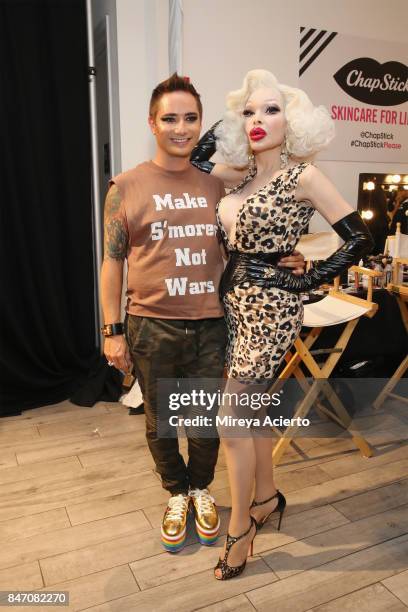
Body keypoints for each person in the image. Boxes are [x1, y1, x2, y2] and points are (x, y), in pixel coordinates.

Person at [100, 73, 305, 554]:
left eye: (190, 118)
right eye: (170, 118)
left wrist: (292, 259)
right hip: (151, 325)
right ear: (153, 123)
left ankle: (201, 490)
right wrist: (112, 332)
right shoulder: (124, 187)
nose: (181, 127)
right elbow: (112, 263)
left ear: (199, 123)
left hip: (215, 323)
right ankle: (176, 493)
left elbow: (250, 239)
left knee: (210, 421)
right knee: (161, 421)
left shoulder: (220, 184)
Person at [191, 69, 374, 580]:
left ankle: (241, 530)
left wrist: (308, 277)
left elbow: (360, 238)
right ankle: (267, 499)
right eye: (249, 111)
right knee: (249, 418)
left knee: (231, 420)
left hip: (271, 310)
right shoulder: (242, 177)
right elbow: (197, 160)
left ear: (293, 121)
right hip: (233, 305)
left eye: (271, 109)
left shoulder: (304, 176)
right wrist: (231, 122)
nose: (257, 119)